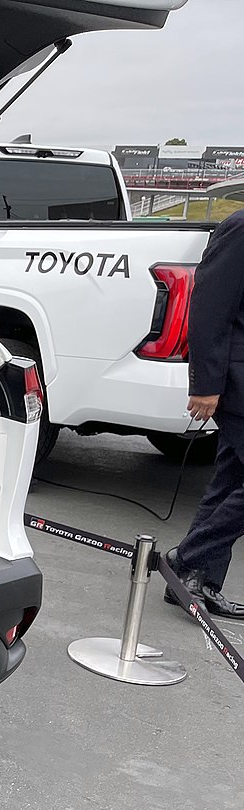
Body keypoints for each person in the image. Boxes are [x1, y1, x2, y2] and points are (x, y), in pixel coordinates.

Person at [166, 209, 244, 618]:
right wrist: (206, 385)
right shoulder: (242, 227)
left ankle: (196, 581)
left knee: (230, 482)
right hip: (237, 381)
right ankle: (187, 560)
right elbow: (211, 306)